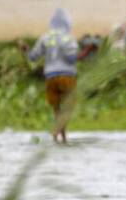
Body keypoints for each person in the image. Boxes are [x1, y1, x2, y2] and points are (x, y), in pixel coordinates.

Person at [19, 8, 91, 143]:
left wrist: (26, 50)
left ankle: (61, 136)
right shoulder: (69, 38)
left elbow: (33, 57)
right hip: (67, 77)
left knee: (57, 109)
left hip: (50, 77)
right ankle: (57, 131)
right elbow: (72, 58)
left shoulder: (45, 37)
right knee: (69, 106)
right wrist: (87, 50)